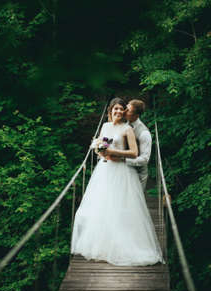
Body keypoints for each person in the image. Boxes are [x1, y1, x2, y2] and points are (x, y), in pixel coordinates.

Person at [70, 97, 164, 266]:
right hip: (104, 170)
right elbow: (100, 147)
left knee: (120, 207)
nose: (119, 112)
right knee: (103, 206)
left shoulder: (128, 129)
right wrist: (101, 152)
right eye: (116, 109)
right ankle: (105, 245)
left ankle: (122, 246)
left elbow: (135, 153)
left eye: (122, 109)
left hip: (121, 171)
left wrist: (114, 153)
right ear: (110, 111)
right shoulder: (105, 126)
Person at [106, 99, 151, 190]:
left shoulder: (144, 133)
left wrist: (123, 160)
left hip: (138, 173)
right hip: (121, 170)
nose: (124, 111)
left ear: (136, 115)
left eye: (128, 111)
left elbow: (145, 159)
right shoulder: (124, 123)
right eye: (126, 108)